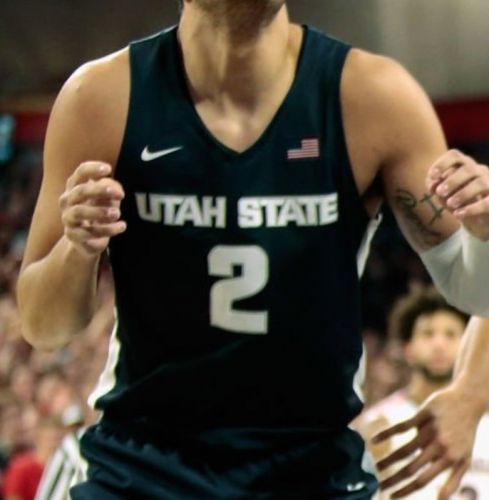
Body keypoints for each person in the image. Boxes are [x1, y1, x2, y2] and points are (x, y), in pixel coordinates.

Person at [16, 0, 489, 497]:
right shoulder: (101, 96)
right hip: (142, 467)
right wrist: (77, 249)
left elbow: (474, 290)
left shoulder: (372, 97)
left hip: (310, 471)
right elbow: (44, 327)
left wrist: (474, 385)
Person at [358, 287, 489, 499]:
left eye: (450, 334)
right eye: (428, 334)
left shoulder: (482, 415)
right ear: (407, 348)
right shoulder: (379, 422)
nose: (439, 345)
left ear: (467, 345)